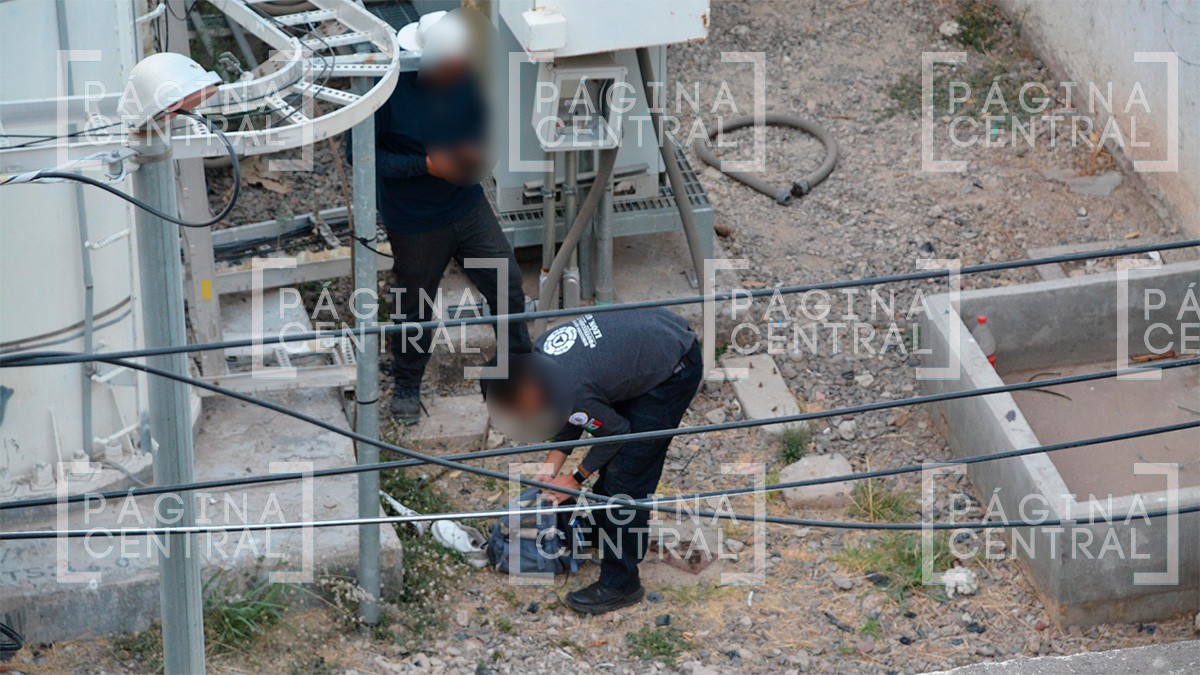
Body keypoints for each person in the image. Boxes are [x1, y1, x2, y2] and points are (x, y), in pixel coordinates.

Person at [481, 308, 703, 614]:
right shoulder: (541, 354)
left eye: (518, 406)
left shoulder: (569, 384)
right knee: (614, 466)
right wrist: (549, 470)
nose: (524, 414)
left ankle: (621, 583)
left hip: (672, 371)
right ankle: (606, 532)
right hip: (656, 336)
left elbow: (615, 431)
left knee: (626, 479)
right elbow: (570, 411)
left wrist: (574, 479)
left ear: (526, 387)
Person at [372, 10, 532, 423]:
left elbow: (481, 122)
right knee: (414, 304)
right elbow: (365, 159)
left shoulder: (465, 78)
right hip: (414, 218)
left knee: (506, 281)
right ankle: (407, 383)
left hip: (465, 202)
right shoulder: (388, 91)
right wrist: (424, 165)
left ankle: (520, 367)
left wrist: (475, 149)